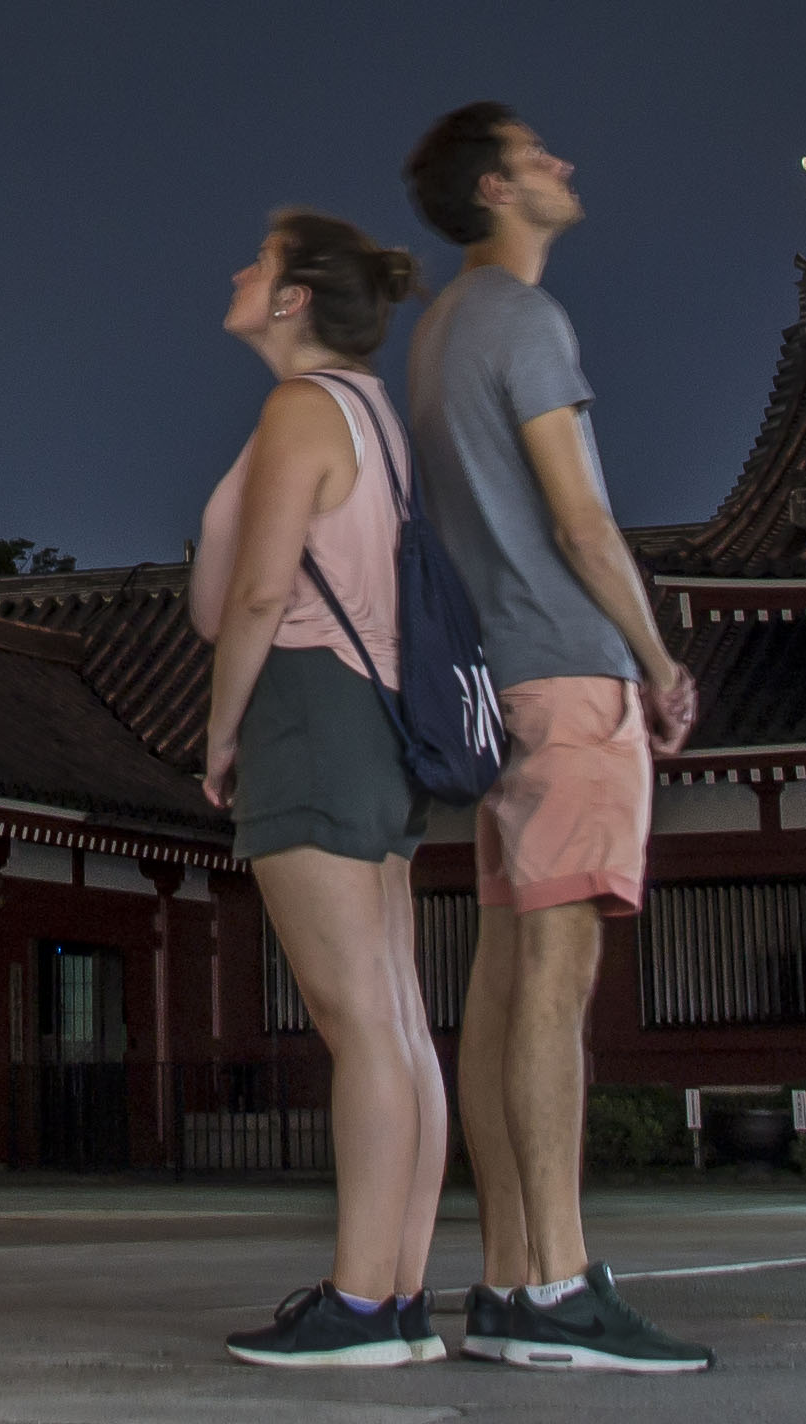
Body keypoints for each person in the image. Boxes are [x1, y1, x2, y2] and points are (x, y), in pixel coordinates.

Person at [402, 101, 713, 1377]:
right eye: (538, 156)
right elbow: (581, 519)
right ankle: (560, 1283)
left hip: (494, 684)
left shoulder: (437, 334)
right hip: (568, 672)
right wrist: (655, 658)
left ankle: (507, 1278)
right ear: (495, 188)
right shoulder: (525, 321)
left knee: (501, 985)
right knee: (557, 985)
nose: (562, 164)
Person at [191, 210, 453, 1368]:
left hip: (313, 705)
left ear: (293, 297)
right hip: (385, 726)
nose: (239, 272)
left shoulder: (301, 411)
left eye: (257, 262)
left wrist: (219, 730)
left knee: (358, 1023)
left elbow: (249, 601)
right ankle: (396, 1294)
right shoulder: (369, 413)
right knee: (394, 1019)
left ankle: (357, 1304)